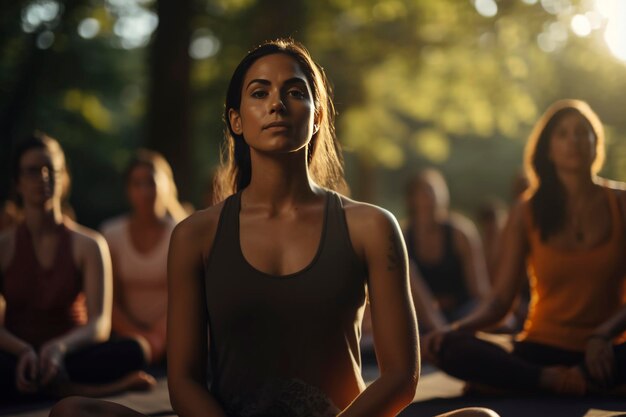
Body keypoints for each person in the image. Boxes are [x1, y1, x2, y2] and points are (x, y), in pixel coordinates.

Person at [49, 39, 498, 417]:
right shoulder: (194, 235)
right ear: (237, 120)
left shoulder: (371, 226)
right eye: (259, 93)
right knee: (71, 412)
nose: (278, 103)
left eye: (295, 92)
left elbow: (401, 377)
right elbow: (183, 379)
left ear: (318, 115)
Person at [423, 99, 626, 396]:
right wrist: (453, 330)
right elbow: (500, 300)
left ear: (597, 143)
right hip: (541, 349)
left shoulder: (621, 203)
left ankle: (529, 383)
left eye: (583, 132)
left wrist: (602, 335)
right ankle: (558, 382)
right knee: (449, 348)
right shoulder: (526, 211)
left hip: (606, 351)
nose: (574, 141)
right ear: (548, 149)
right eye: (563, 134)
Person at [0, 133, 154, 403]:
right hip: (17, 356)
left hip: (71, 354)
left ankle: (47, 385)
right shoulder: (4, 246)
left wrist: (58, 348)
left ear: (64, 178)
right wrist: (24, 351)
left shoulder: (89, 244)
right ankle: (72, 389)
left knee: (136, 349)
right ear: (17, 182)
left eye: (52, 170)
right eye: (33, 171)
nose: (44, 177)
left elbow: (100, 323)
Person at [101, 149, 187, 365]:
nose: (145, 191)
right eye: (137, 184)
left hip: (178, 336)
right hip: (127, 341)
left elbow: (187, 299)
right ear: (128, 190)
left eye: (151, 183)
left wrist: (158, 339)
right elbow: (108, 301)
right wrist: (139, 339)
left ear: (167, 186)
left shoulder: (183, 233)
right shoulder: (111, 234)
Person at [404, 169, 490, 323]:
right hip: (419, 318)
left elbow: (479, 290)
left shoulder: (461, 234)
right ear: (412, 199)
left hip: (461, 313)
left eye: (434, 192)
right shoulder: (402, 237)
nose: (430, 198)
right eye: (424, 193)